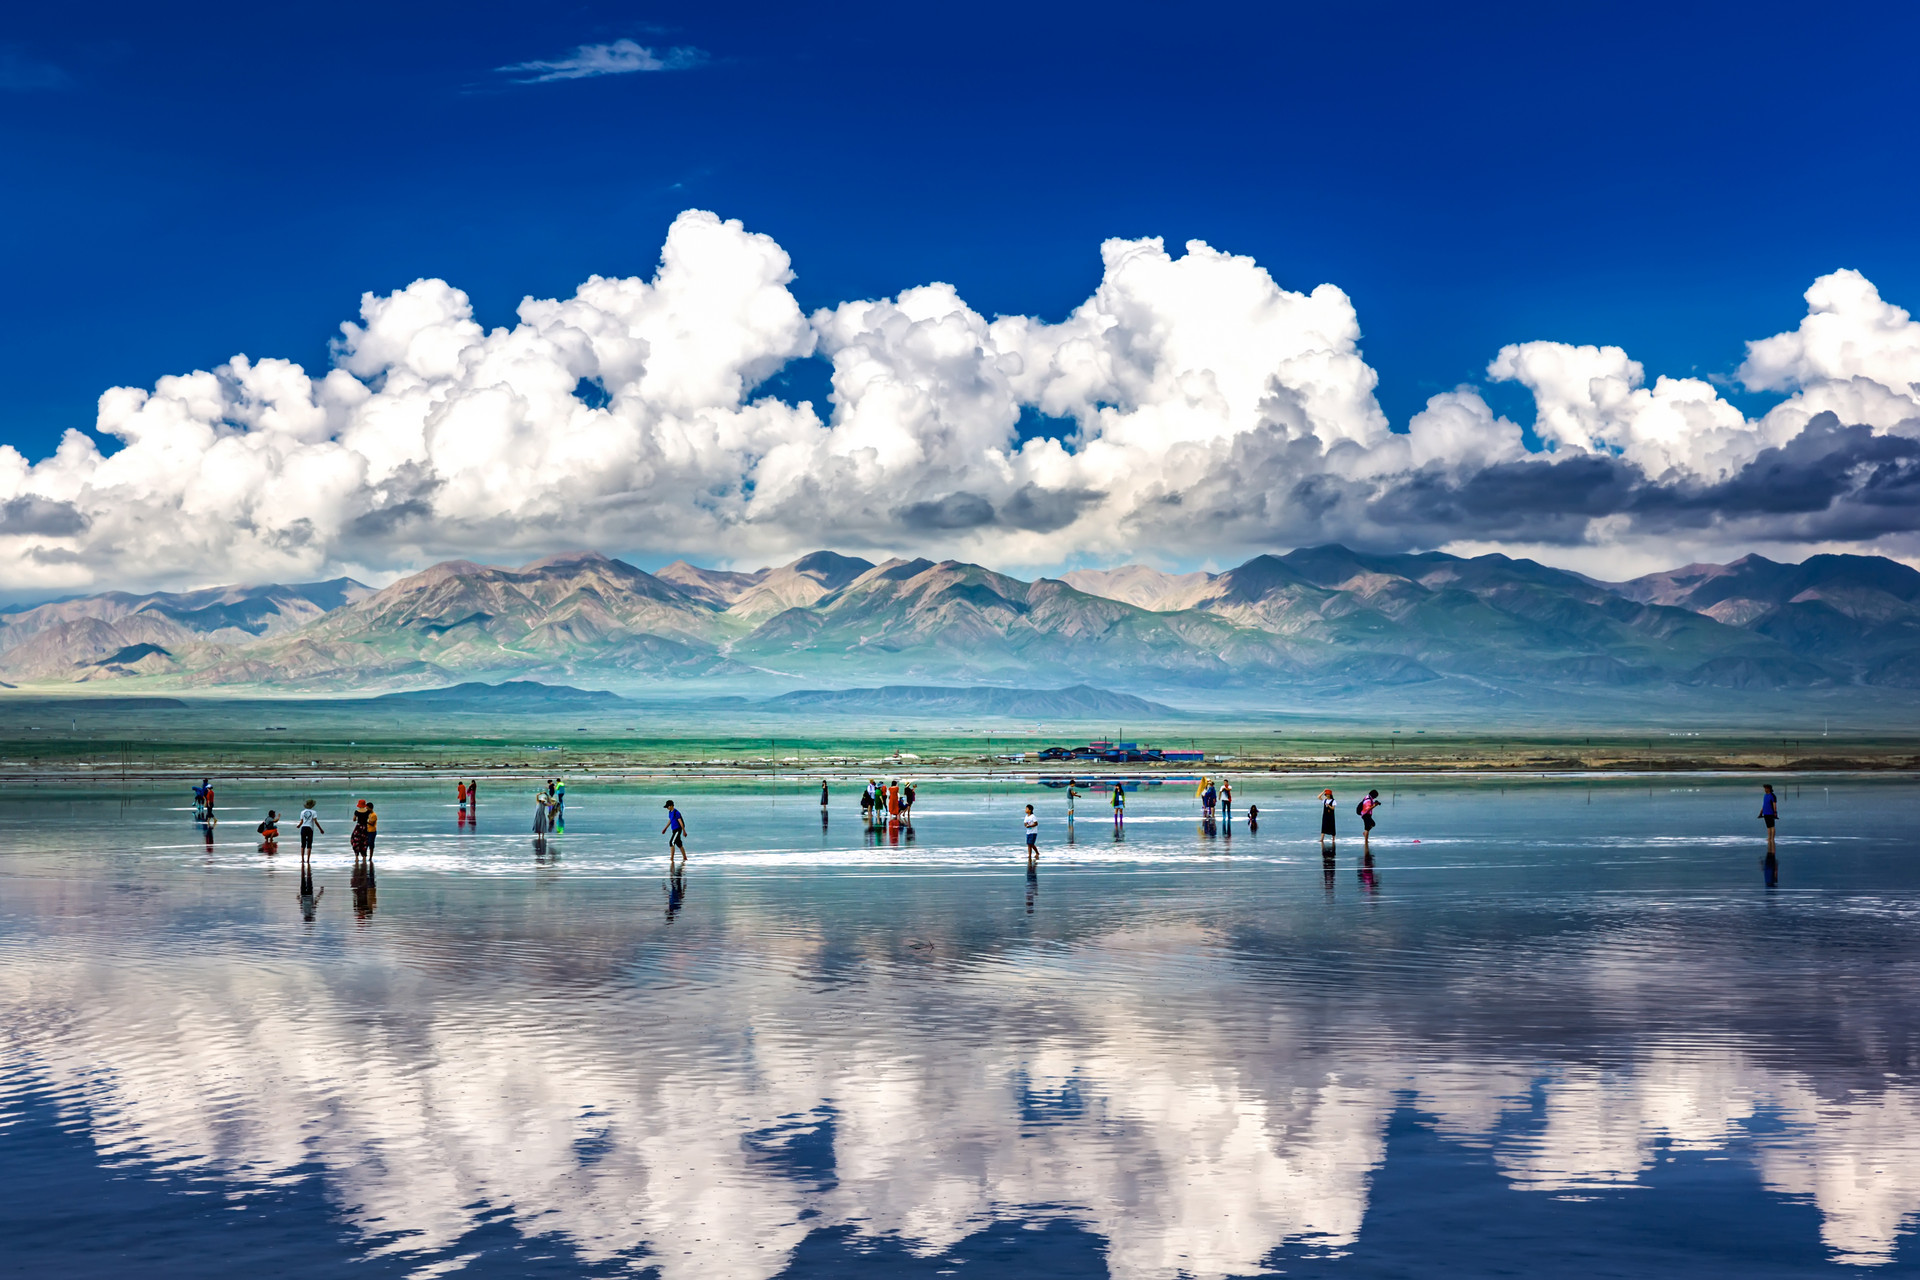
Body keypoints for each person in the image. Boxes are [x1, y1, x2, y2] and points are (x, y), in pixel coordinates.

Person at [1760, 783, 1779, 852]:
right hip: (1765, 813)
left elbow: (1774, 805)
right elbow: (1764, 804)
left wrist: (1775, 813)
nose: (1765, 789)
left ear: (1769, 789)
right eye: (1764, 788)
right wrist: (1761, 812)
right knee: (1768, 827)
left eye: (1766, 788)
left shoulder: (1772, 796)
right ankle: (1769, 838)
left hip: (1771, 813)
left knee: (1772, 826)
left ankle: (1772, 839)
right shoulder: (1765, 795)